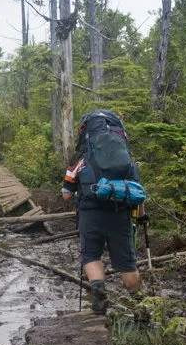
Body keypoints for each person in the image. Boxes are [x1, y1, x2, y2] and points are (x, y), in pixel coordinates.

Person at [61, 115, 146, 314]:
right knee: (126, 263)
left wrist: (78, 189)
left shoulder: (81, 158)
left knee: (91, 255)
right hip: (120, 216)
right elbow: (137, 192)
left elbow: (66, 195)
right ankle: (141, 307)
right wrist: (141, 216)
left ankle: (99, 295)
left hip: (90, 215)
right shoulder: (125, 159)